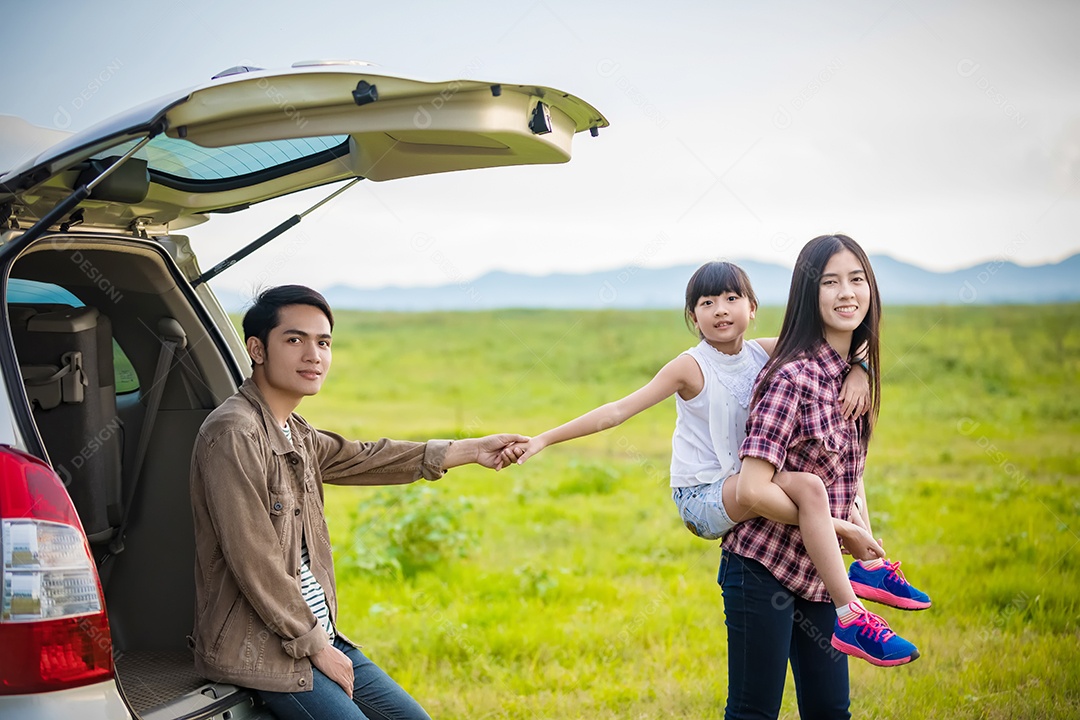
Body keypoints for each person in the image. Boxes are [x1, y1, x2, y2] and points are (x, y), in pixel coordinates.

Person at [502, 261, 927, 667]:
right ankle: (851, 605)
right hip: (703, 496)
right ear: (693, 317)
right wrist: (543, 439)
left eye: (730, 298)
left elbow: (845, 340)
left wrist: (859, 369)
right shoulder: (690, 367)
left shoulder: (765, 353)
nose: (720, 309)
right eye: (706, 303)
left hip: (753, 481)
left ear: (752, 308)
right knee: (808, 492)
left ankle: (871, 570)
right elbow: (617, 411)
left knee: (820, 478)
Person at [189, 285, 525, 720]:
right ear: (257, 348)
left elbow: (366, 456)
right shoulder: (235, 433)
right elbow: (256, 561)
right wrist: (316, 648)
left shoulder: (296, 431)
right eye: (295, 340)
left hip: (315, 635)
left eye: (323, 342)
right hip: (263, 648)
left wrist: (472, 449)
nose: (314, 355)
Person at [725, 234, 920, 718]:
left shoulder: (856, 376)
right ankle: (858, 602)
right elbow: (751, 489)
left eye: (857, 279)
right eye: (830, 282)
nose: (846, 293)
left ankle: (868, 581)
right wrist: (843, 530)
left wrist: (859, 367)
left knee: (831, 711)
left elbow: (848, 477)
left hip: (821, 575)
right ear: (809, 295)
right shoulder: (791, 377)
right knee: (754, 712)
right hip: (762, 567)